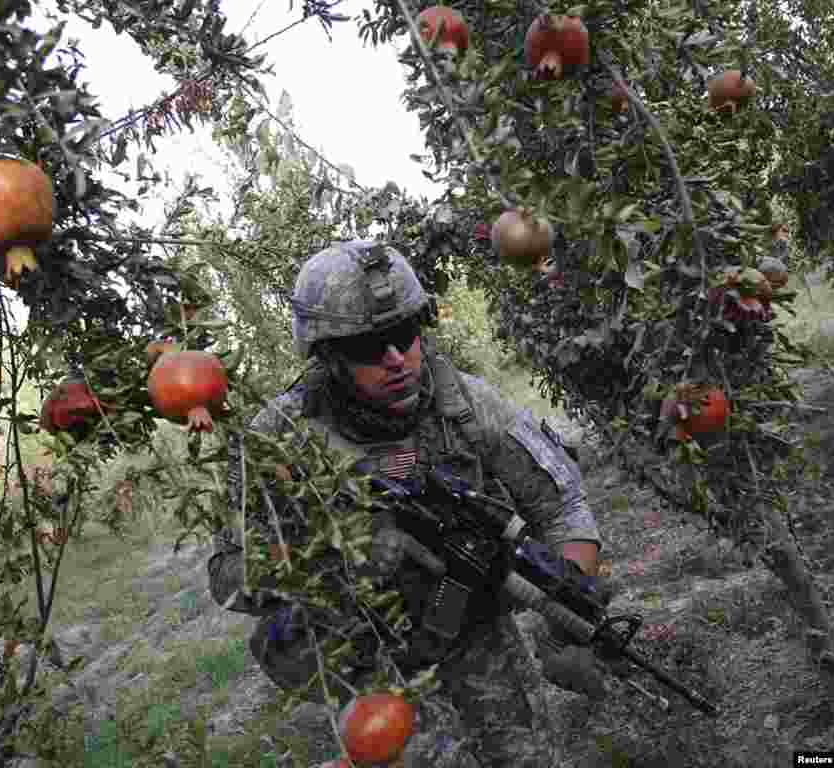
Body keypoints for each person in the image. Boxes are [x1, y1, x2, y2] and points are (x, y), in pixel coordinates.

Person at [208, 240, 606, 767]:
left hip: (476, 636)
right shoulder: (278, 439)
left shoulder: (465, 405)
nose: (396, 360)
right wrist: (342, 553)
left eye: (404, 335)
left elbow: (562, 507)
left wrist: (563, 599)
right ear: (327, 356)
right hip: (368, 666)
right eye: (370, 347)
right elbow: (228, 575)